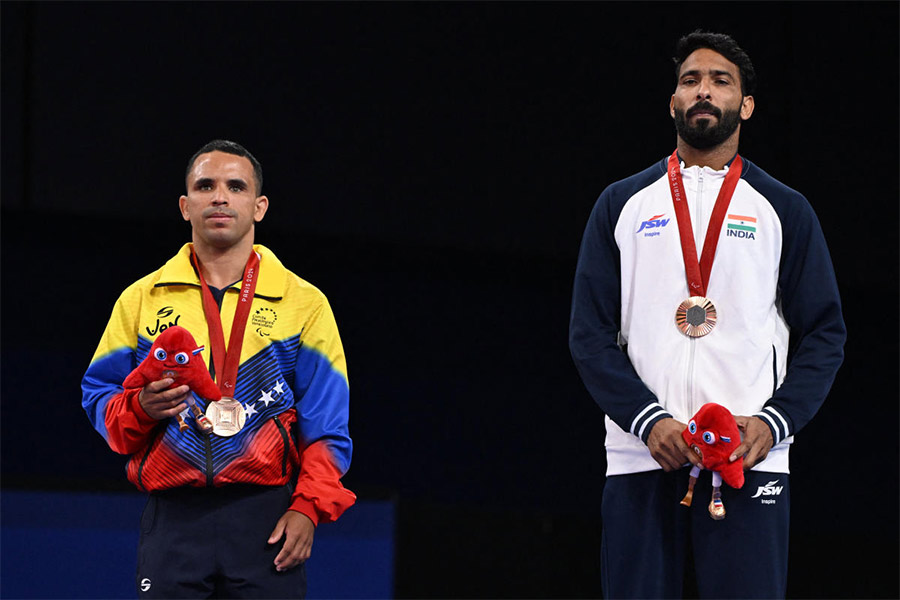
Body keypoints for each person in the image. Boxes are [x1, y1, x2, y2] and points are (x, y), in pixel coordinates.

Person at [569, 32, 845, 599]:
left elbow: (825, 334)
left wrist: (773, 423)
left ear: (745, 106)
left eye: (721, 81)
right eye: (690, 80)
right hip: (641, 454)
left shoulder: (784, 210)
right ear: (673, 101)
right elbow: (589, 335)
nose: (703, 91)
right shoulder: (622, 204)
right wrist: (648, 422)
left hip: (749, 455)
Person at [82, 139, 355, 599]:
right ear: (186, 206)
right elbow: (101, 401)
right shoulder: (142, 300)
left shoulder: (304, 304)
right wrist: (142, 408)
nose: (220, 196)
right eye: (206, 186)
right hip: (173, 516)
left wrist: (309, 507)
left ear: (259, 206)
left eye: (236, 186)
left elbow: (326, 425)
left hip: (266, 517)